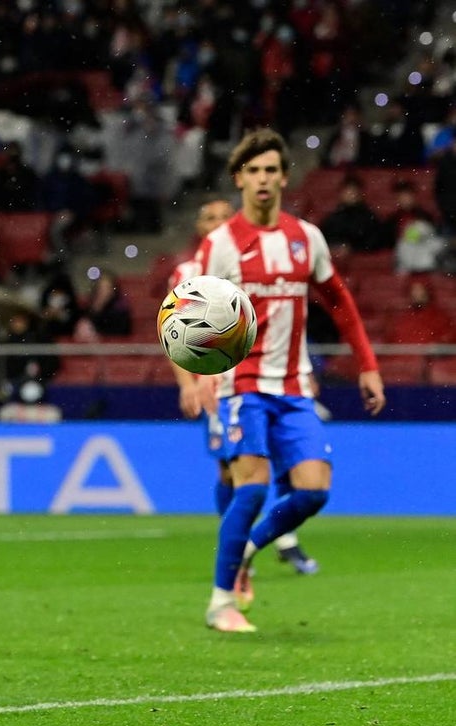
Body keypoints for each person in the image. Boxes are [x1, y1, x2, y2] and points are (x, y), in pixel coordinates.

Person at [192, 128, 385, 634]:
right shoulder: (220, 245)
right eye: (253, 171)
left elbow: (338, 300)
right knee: (251, 488)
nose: (263, 179)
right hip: (242, 383)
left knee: (315, 490)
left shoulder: (306, 238)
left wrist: (367, 363)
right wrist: (201, 375)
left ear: (284, 177)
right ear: (239, 179)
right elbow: (194, 318)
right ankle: (221, 602)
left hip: (295, 386)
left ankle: (248, 550)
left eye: (271, 170)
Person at [167, 197, 320, 576]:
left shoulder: (250, 259)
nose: (219, 223)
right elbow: (175, 333)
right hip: (219, 383)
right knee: (229, 469)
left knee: (282, 462)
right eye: (210, 217)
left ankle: (283, 539)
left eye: (224, 216)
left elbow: (277, 315)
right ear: (200, 228)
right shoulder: (187, 273)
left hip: (268, 378)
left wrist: (298, 366)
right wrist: (189, 382)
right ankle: (237, 549)